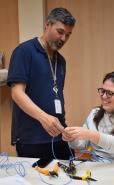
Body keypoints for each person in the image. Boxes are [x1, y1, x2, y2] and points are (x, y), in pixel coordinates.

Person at [7, 7, 76, 159]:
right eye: (60, 32)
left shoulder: (61, 61)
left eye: (68, 35)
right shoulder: (24, 51)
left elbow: (56, 95)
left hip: (58, 136)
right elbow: (17, 93)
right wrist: (44, 118)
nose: (63, 39)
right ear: (47, 25)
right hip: (31, 139)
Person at [62, 71, 114, 163]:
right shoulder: (95, 113)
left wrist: (91, 135)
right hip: (97, 167)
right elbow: (82, 145)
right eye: (102, 91)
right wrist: (72, 138)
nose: (104, 96)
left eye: (110, 93)